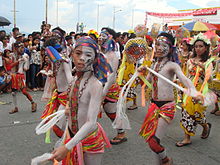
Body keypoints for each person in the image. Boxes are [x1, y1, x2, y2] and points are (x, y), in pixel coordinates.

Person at [138, 33, 202, 165]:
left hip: (167, 106)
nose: (159, 48)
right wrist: (140, 74)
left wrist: (194, 92)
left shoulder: (172, 65)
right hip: (154, 106)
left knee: (153, 141)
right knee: (152, 141)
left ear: (170, 48)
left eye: (163, 45)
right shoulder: (153, 64)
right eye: (157, 45)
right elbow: (146, 84)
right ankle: (160, 162)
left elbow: (184, 79)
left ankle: (166, 160)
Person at [50, 36, 111, 164]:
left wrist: (66, 147)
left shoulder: (96, 85)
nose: (82, 58)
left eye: (88, 54)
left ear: (95, 58)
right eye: (78, 53)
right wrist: (68, 106)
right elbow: (71, 97)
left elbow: (91, 122)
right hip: (72, 135)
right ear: (72, 55)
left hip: (89, 140)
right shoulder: (74, 80)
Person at [176, 33, 214, 147]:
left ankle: (206, 126)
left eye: (201, 46)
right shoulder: (190, 61)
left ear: (206, 48)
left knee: (198, 114)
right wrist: (179, 82)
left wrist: (203, 69)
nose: (198, 48)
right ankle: (187, 137)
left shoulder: (208, 62)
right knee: (187, 112)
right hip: (190, 91)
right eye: (196, 46)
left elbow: (210, 80)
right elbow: (187, 76)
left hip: (201, 92)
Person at [41, 36, 73, 138]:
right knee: (63, 125)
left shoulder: (64, 61)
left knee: (57, 126)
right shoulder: (55, 61)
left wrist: (70, 98)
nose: (46, 55)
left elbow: (70, 79)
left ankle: (70, 145)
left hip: (65, 96)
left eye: (46, 52)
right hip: (59, 95)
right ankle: (68, 145)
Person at [9, 41, 37, 114]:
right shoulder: (12, 55)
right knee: (13, 93)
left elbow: (26, 68)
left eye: (22, 47)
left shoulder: (25, 55)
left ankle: (33, 103)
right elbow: (10, 66)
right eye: (20, 47)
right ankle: (15, 107)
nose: (22, 49)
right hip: (14, 75)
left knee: (24, 91)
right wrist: (18, 61)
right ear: (15, 48)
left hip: (21, 75)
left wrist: (25, 62)